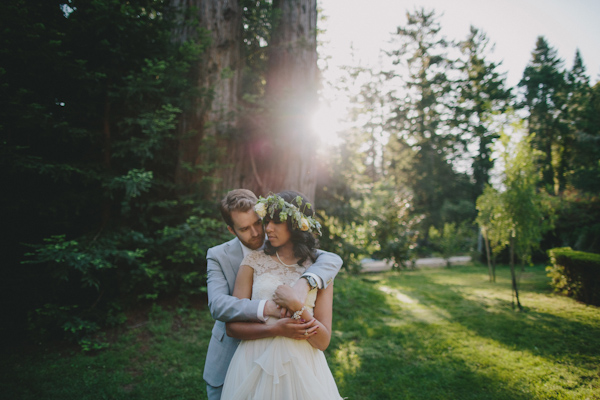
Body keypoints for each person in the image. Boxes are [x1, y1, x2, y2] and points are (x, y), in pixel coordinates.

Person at [204, 189, 343, 400]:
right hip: (248, 357)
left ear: (294, 224)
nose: (260, 232)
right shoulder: (234, 259)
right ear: (232, 230)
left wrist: (299, 299)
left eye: (260, 222)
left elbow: (323, 340)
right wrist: (271, 313)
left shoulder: (319, 268)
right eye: (244, 228)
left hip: (302, 362)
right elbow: (219, 308)